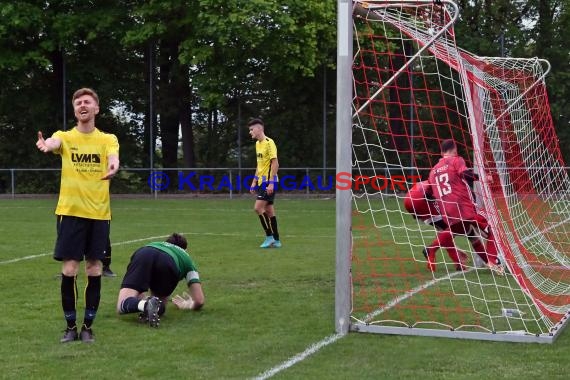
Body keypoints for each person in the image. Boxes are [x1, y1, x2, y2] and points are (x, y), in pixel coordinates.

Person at [36, 87, 120, 343]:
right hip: (70, 213)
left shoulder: (107, 139)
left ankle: (88, 327)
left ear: (96, 108)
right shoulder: (65, 136)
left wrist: (114, 165)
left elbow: (113, 157)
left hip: (98, 214)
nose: (82, 105)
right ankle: (71, 327)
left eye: (87, 102)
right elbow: (54, 142)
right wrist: (46, 144)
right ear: (75, 110)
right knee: (70, 268)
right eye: (78, 103)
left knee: (94, 268)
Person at [428, 139, 503, 274]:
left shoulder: (433, 171)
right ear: (455, 149)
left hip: (447, 212)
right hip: (463, 207)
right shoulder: (456, 160)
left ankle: (431, 249)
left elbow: (430, 193)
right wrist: (483, 178)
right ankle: (494, 261)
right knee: (493, 228)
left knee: (471, 235)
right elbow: (465, 174)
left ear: (441, 152)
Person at [116, 233, 204, 327]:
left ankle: (145, 305)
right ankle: (147, 305)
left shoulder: (155, 244)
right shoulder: (187, 258)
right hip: (169, 262)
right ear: (185, 250)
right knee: (160, 306)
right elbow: (199, 301)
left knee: (123, 304)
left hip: (143, 253)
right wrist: (188, 305)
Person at [403, 180, 469, 271]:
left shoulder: (439, 174)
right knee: (454, 227)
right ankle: (431, 249)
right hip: (422, 198)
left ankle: (459, 263)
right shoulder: (455, 181)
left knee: (445, 231)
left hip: (409, 198)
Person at [248, 118, 282, 248]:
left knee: (257, 208)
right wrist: (254, 181)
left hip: (269, 182)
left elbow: (275, 163)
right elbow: (259, 164)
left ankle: (269, 237)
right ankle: (277, 240)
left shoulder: (269, 143)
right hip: (262, 181)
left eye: (251, 130)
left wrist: (271, 183)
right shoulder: (257, 144)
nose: (250, 132)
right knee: (269, 211)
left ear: (259, 129)